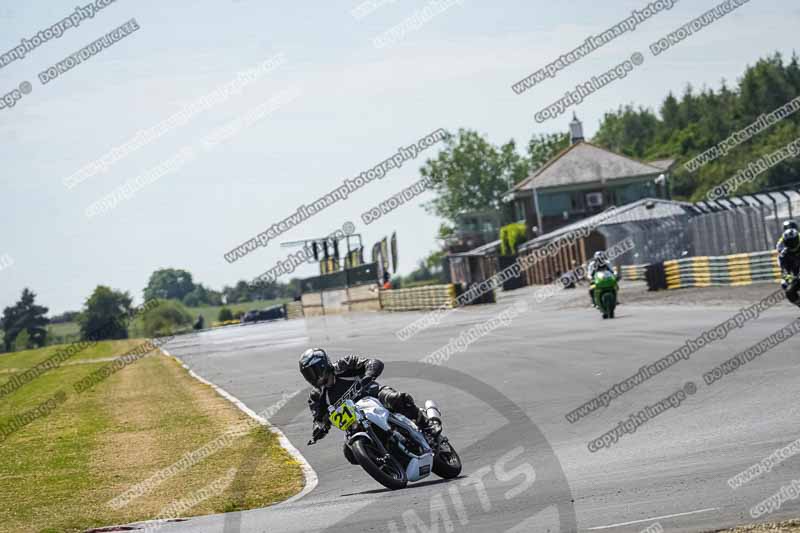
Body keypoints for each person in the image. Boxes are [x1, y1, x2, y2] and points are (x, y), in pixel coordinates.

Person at [300, 348, 441, 447]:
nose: (313, 377)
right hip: (356, 421)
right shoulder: (316, 396)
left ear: (324, 365)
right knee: (349, 452)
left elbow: (373, 363)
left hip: (375, 397)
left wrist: (369, 374)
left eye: (314, 372)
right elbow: (318, 418)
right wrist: (319, 429)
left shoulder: (344, 365)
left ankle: (427, 426)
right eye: (308, 375)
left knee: (397, 398)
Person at [778, 227, 800, 305]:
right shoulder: (784, 255)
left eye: (793, 241)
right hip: (797, 276)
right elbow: (784, 270)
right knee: (787, 288)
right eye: (789, 242)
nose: (791, 244)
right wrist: (788, 277)